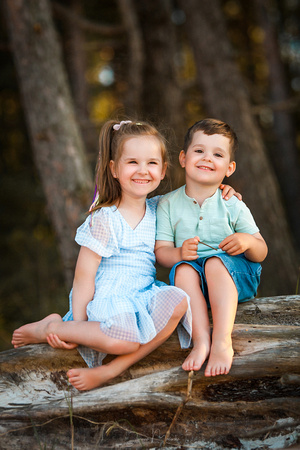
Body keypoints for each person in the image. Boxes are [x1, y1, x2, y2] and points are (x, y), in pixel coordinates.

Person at [11, 119, 238, 392]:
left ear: (164, 170)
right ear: (114, 169)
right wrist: (80, 328)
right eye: (132, 162)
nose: (143, 171)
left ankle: (112, 369)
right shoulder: (106, 218)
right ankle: (51, 328)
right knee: (126, 341)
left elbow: (196, 197)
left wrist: (224, 190)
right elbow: (83, 277)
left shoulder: (161, 209)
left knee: (179, 303)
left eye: (152, 163)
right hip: (109, 299)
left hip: (141, 294)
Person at [155, 118, 268, 378]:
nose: (207, 158)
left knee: (216, 262)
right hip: (195, 281)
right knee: (182, 270)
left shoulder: (232, 203)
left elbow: (262, 250)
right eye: (199, 151)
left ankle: (221, 341)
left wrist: (247, 241)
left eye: (217, 154)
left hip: (236, 275)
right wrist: (179, 254)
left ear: (229, 168)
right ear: (183, 158)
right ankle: (201, 340)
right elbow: (161, 252)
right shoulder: (168, 204)